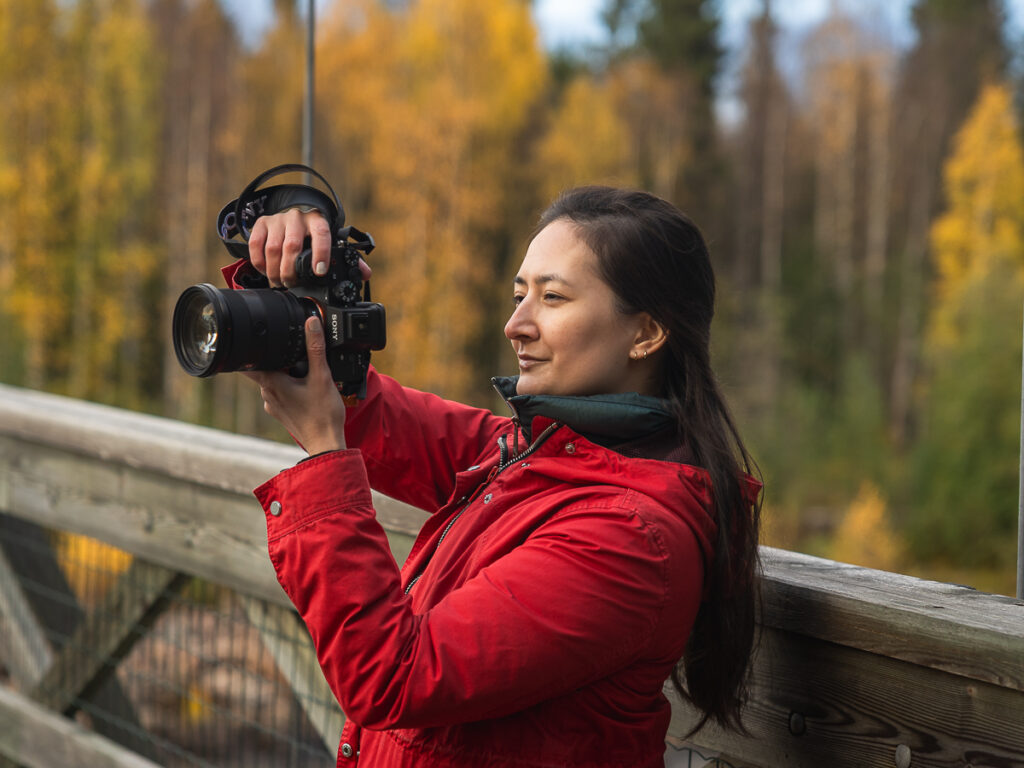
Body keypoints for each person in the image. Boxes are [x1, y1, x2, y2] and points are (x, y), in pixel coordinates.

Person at [235, 186, 762, 767]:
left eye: (553, 297)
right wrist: (291, 282)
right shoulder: (530, 453)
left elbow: (393, 676)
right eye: (519, 294)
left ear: (646, 334)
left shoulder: (631, 538)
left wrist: (323, 456)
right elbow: (369, 411)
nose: (516, 324)